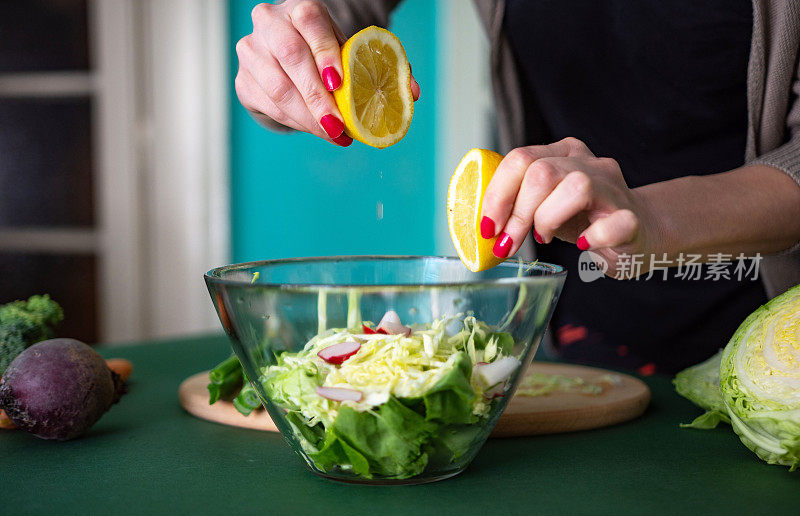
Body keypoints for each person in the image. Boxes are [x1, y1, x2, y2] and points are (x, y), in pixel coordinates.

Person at [234, 0, 800, 375]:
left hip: (773, 339)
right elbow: (342, 11)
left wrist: (653, 218)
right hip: (577, 330)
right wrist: (294, 51)